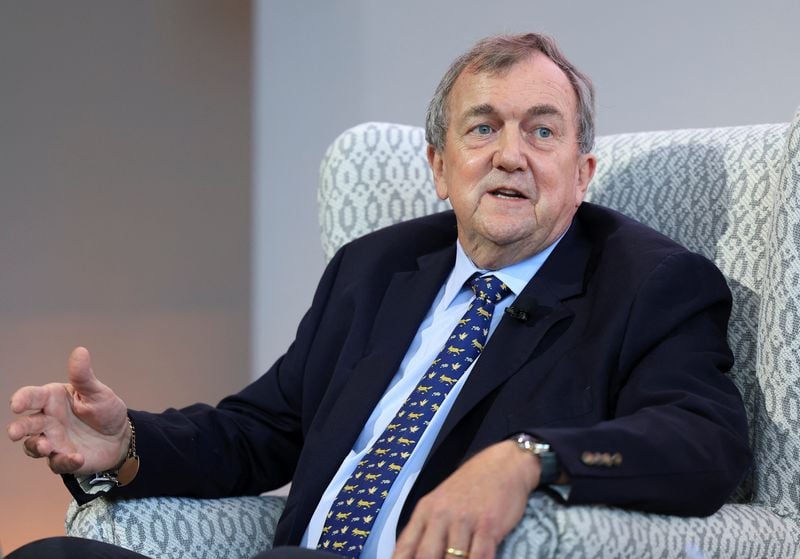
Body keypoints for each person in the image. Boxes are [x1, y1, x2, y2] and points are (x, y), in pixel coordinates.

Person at [7, 33, 751, 559]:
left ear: (582, 174)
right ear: (439, 167)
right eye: (482, 128)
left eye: (542, 131)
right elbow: (262, 430)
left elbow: (706, 445)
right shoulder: (375, 269)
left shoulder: (648, 284)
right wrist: (126, 446)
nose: (510, 155)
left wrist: (530, 458)